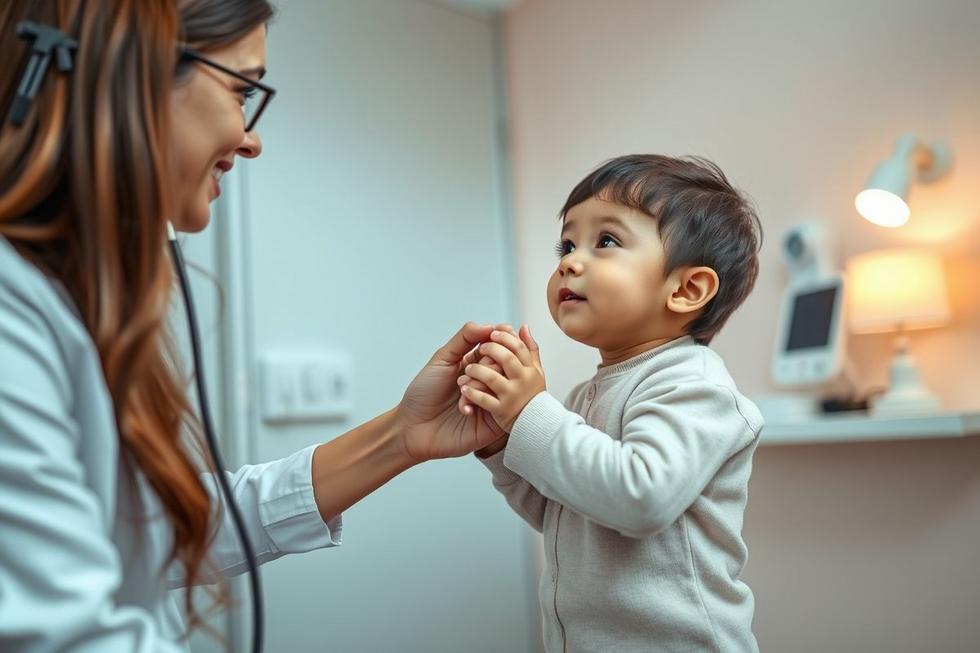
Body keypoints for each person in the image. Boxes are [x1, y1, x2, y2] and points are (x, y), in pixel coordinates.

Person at [0, 0, 506, 650]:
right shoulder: (15, 307)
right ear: (126, 75)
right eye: (240, 88)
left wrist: (402, 437)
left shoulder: (56, 301)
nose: (251, 136)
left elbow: (147, 528)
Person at [457, 154, 766, 652]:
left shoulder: (697, 385)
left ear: (687, 289)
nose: (569, 262)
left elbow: (639, 497)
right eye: (567, 243)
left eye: (606, 241)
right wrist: (502, 443)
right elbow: (565, 513)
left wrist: (531, 413)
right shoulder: (587, 395)